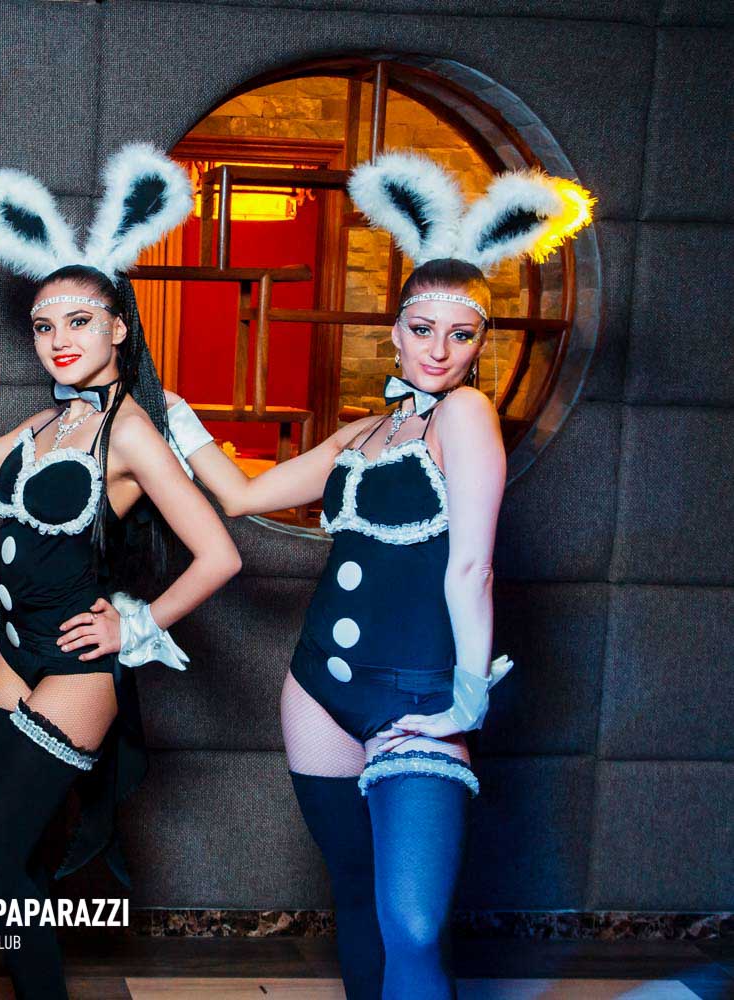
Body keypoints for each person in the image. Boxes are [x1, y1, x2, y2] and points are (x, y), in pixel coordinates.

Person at [164, 150, 592, 999]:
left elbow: (471, 566)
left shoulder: (467, 416)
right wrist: (172, 415)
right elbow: (241, 496)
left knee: (415, 925)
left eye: (461, 334)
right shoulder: (364, 433)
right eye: (423, 330)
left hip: (418, 700)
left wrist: (467, 694)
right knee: (357, 898)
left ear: (480, 343)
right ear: (395, 332)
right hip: (319, 685)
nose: (439, 350)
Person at [0, 144, 241, 1000]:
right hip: (10, 653)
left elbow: (220, 553)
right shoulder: (44, 423)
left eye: (80, 322)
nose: (59, 341)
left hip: (76, 667)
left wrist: (138, 623)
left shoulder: (129, 431)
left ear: (119, 328)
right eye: (44, 327)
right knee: (17, 860)